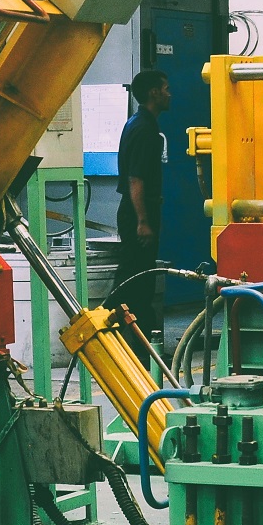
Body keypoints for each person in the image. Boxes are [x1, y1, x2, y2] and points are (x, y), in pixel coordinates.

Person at [110, 69, 171, 343]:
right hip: (139, 212)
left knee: (140, 280)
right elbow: (136, 179)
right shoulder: (144, 129)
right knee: (134, 279)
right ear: (154, 93)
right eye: (166, 89)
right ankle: (104, 331)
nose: (169, 94)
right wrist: (143, 221)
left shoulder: (136, 123)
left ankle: (143, 343)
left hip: (136, 210)